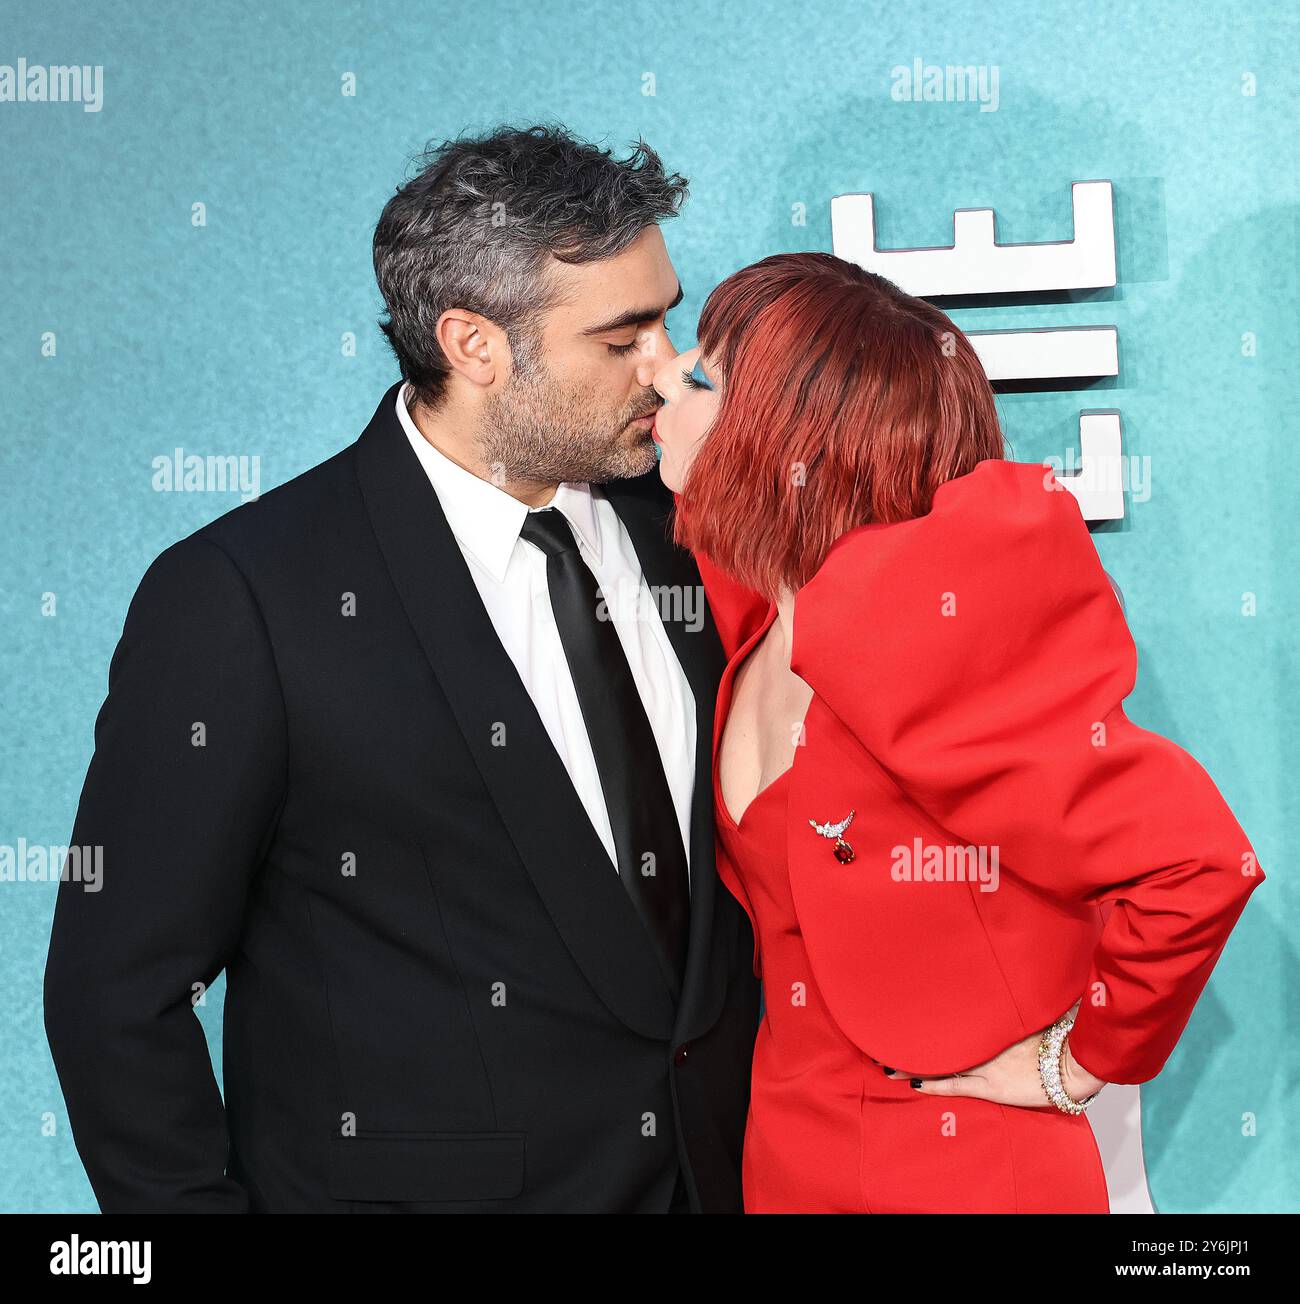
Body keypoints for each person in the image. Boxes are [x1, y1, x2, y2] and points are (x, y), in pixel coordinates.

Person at [43, 124, 761, 1214]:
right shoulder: (248, 595)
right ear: (473, 344)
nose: (666, 367)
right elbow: (116, 991)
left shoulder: (697, 533)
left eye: (665, 318)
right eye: (622, 339)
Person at [650, 251, 1266, 1213]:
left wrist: (1084, 1062)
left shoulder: (914, 635)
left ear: (780, 435)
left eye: (702, 378)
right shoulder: (757, 607)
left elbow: (1197, 866)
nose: (663, 382)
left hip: (963, 1168)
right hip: (784, 1150)